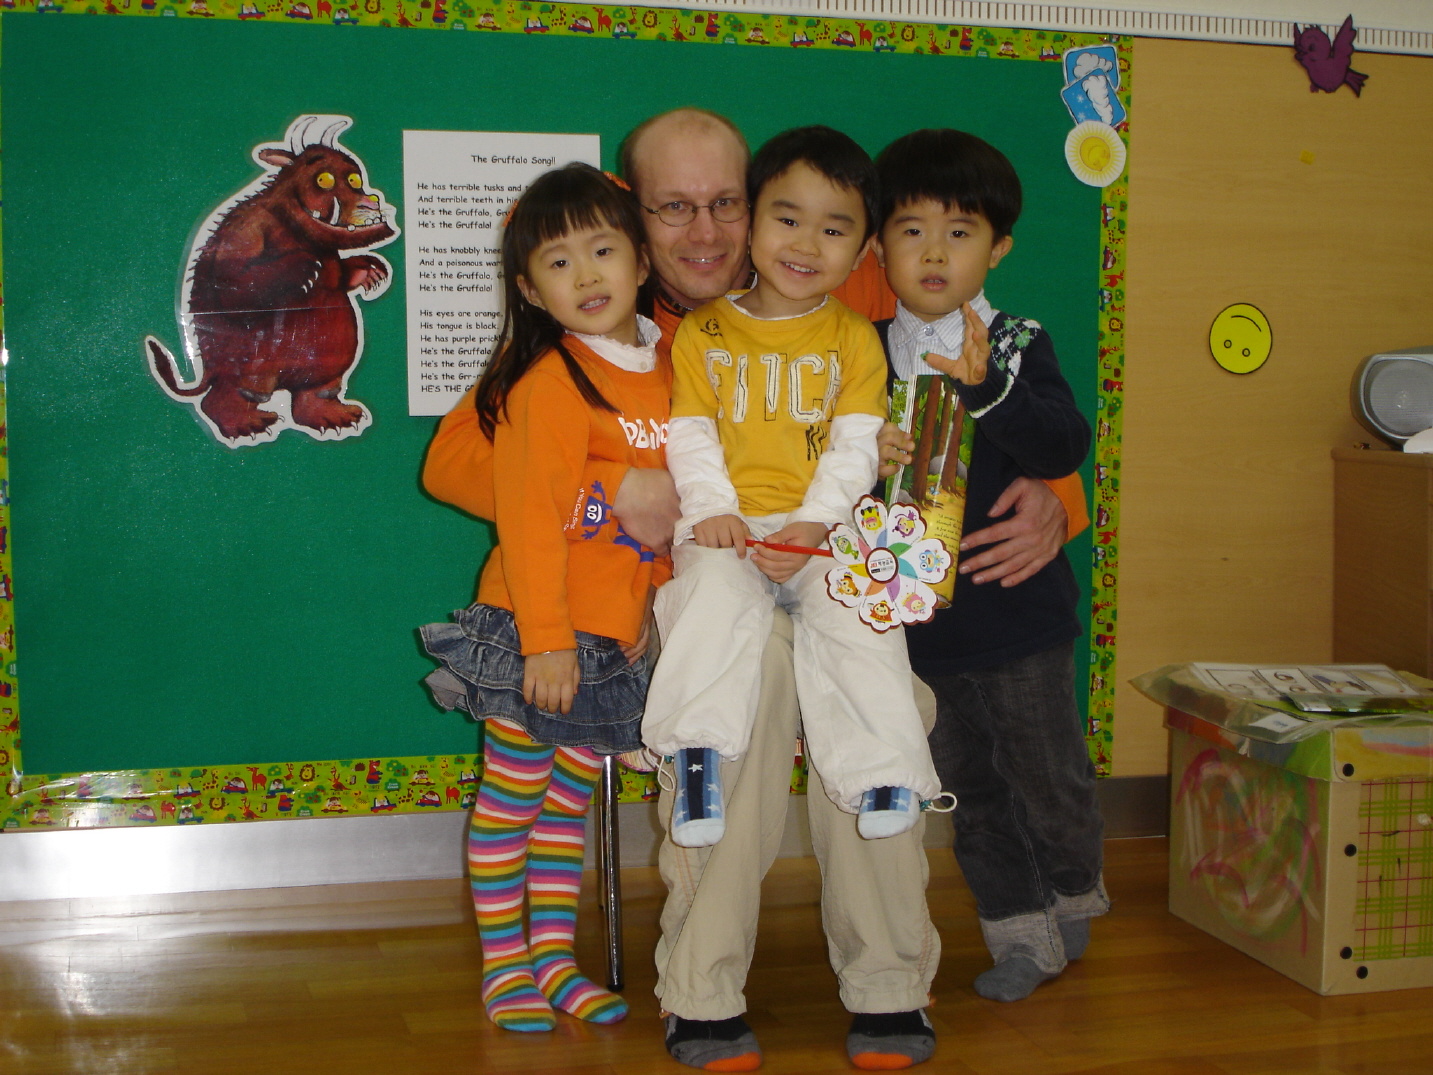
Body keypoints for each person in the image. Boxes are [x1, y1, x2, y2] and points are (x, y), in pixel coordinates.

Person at [421, 108, 1084, 1071]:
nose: (705, 231)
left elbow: (961, 369)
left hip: (826, 564)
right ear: (633, 216)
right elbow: (452, 462)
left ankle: (889, 977)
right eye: (673, 207)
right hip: (692, 590)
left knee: (879, 698)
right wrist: (609, 488)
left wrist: (1061, 495)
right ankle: (701, 983)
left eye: (725, 203)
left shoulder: (835, 274)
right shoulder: (608, 321)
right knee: (748, 691)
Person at [416, 163, 669, 1033]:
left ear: (641, 260)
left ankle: (555, 962)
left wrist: (647, 614)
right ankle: (505, 966)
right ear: (529, 290)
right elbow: (528, 520)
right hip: (538, 631)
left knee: (567, 804)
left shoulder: (670, 370)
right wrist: (546, 639)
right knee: (512, 797)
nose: (587, 274)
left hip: (609, 637)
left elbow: (669, 517)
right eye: (559, 263)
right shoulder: (548, 380)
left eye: (603, 250)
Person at [642, 125, 941, 852]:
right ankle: (697, 760)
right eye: (787, 220)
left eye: (833, 230)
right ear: (752, 224)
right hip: (729, 523)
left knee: (863, 621)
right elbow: (691, 433)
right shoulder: (704, 331)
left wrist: (816, 523)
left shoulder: (854, 338)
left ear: (862, 251)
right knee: (707, 601)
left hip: (820, 527)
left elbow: (855, 444)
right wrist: (712, 509)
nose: (806, 245)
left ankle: (885, 775)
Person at [871, 128, 1107, 1003]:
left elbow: (1062, 442)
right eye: (911, 230)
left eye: (960, 232)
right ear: (877, 246)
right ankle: (1017, 932)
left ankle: (1073, 887)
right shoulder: (858, 349)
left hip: (1019, 616)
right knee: (967, 789)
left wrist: (986, 392)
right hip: (921, 630)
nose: (934, 252)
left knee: (1048, 775)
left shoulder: (1014, 342)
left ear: (997, 247)